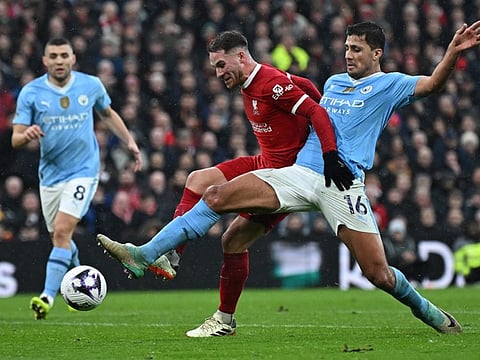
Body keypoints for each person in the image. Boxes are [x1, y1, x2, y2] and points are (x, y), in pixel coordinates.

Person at [97, 20, 480, 336]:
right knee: (215, 196)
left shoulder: (390, 84)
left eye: (357, 49)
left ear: (376, 54)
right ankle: (148, 255)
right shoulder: (332, 83)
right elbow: (308, 97)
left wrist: (452, 53)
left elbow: (432, 85)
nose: (348, 54)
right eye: (346, 47)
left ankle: (430, 313)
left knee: (377, 273)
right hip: (297, 173)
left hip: (343, 184)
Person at [144, 29, 352, 290]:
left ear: (241, 57)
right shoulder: (256, 79)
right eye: (215, 67)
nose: (218, 73)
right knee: (197, 179)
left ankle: (223, 317)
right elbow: (305, 85)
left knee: (232, 240)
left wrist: (330, 153)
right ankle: (172, 255)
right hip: (262, 162)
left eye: (221, 65)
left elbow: (317, 111)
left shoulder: (270, 85)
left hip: (281, 179)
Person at [11, 37, 143, 320]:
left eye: (64, 55)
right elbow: (15, 138)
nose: (59, 61)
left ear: (73, 58)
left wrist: (130, 142)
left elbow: (107, 114)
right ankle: (80, 284)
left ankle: (47, 297)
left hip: (84, 171)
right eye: (53, 56)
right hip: (50, 177)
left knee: (61, 232)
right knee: (60, 238)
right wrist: (26, 135)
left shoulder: (91, 85)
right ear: (45, 60)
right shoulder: (31, 92)